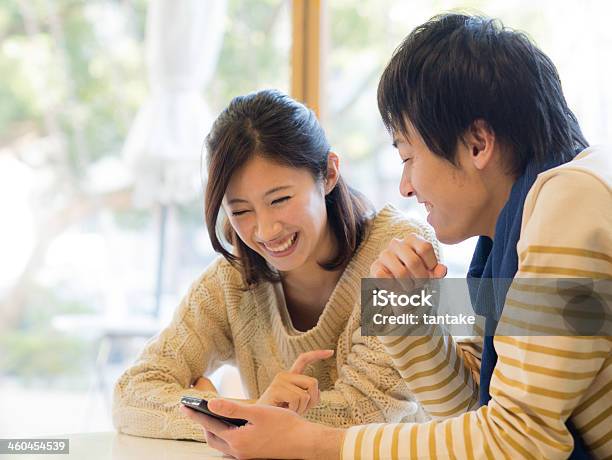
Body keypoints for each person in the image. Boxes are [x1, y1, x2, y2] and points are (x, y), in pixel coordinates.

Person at [182, 14, 611, 459]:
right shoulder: (507, 236)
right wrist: (408, 318)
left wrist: (308, 441)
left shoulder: (570, 199)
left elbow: (520, 441)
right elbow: (472, 419)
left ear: (478, 143)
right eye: (241, 211)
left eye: (408, 156)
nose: (406, 186)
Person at [113, 89, 438, 441]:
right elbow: (132, 391)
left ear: (328, 174)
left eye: (280, 199)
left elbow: (368, 411)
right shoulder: (232, 281)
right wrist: (242, 414)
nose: (266, 230)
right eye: (240, 211)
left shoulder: (402, 252)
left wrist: (243, 415)